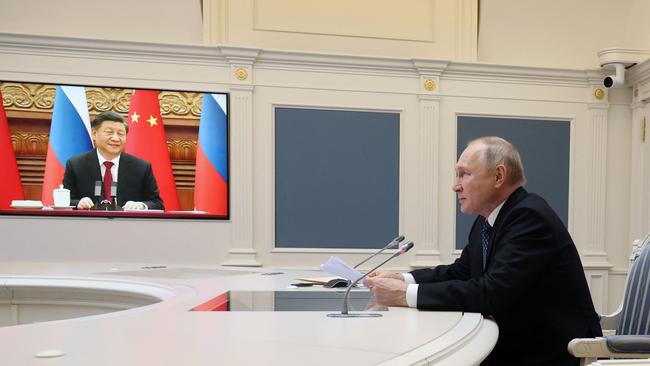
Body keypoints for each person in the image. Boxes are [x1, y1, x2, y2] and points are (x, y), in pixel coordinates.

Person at [365, 136, 601, 366]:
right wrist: (403, 279)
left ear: (498, 176)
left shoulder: (529, 217)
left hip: (550, 354)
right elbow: (462, 271)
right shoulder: (488, 220)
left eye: (465, 174)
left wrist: (404, 295)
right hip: (515, 344)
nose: (455, 186)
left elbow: (492, 293)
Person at [63, 111, 164, 210]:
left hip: (128, 224)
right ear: (94, 133)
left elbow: (157, 203)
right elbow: (65, 201)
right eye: (109, 132)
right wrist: (78, 203)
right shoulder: (76, 165)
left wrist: (141, 205)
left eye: (120, 134)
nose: (116, 138)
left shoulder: (141, 167)